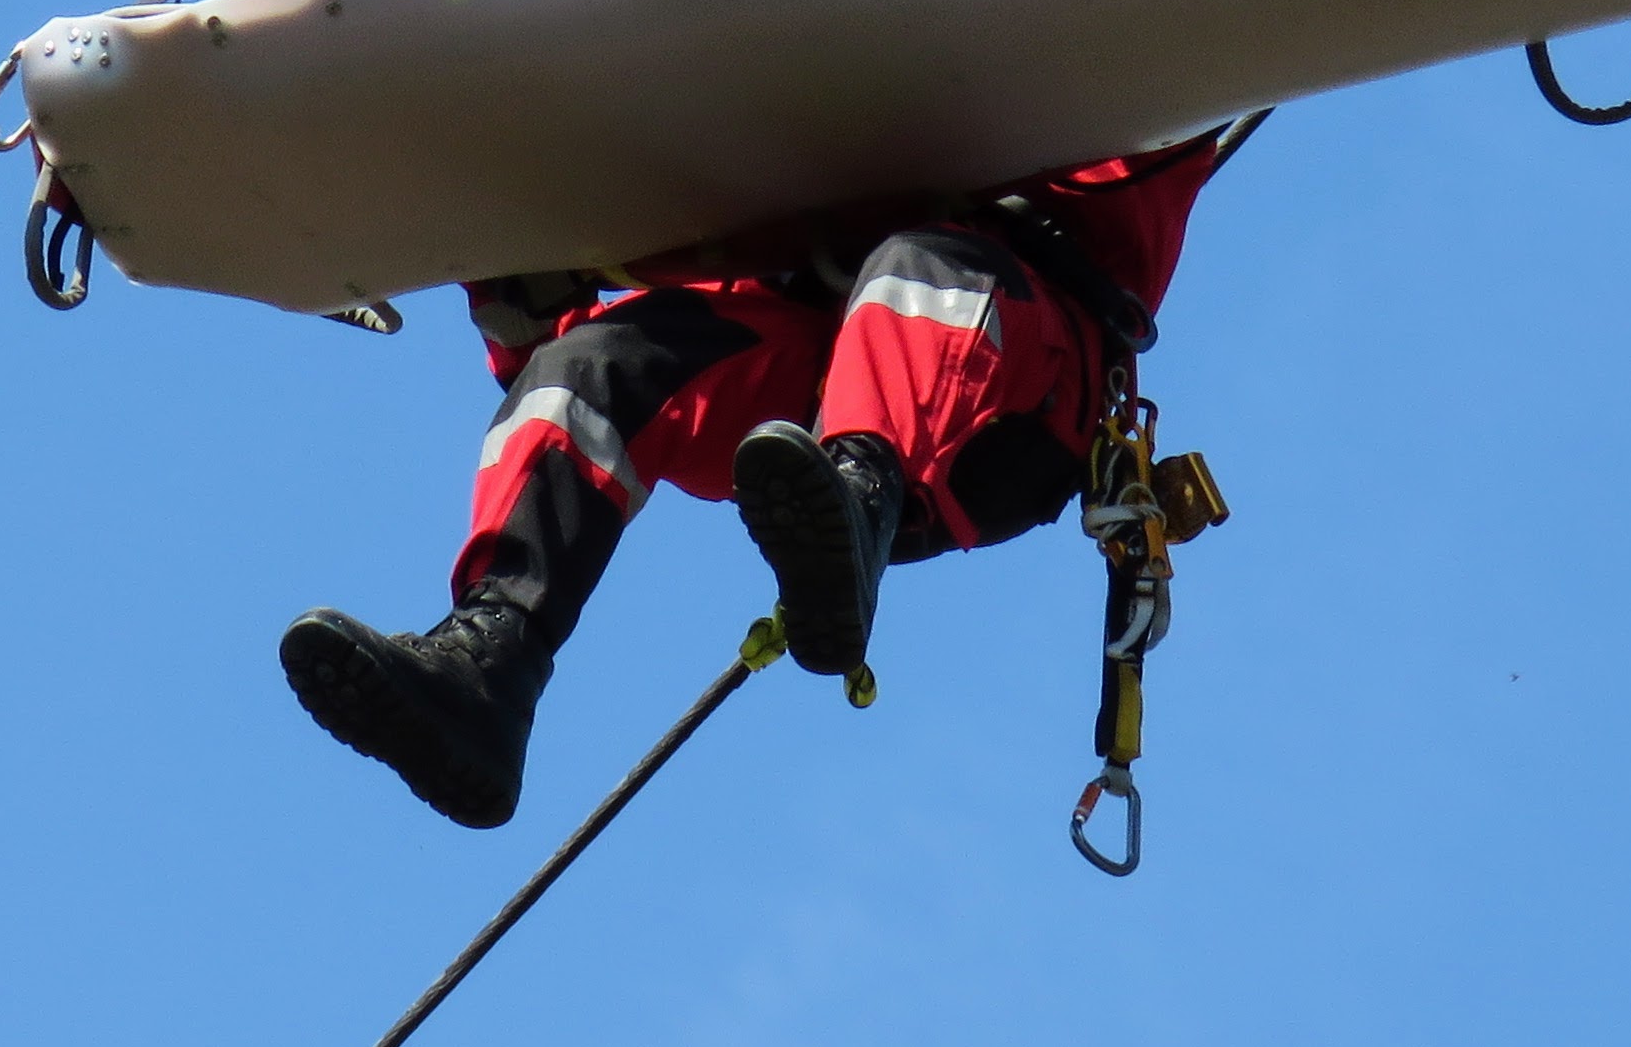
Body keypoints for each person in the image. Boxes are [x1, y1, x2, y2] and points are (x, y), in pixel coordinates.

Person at [277, 133, 1229, 827]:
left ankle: (856, 504)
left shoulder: (1119, 19)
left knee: (920, 266)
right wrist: (517, 276)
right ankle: (489, 664)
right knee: (592, 368)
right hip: (814, 334)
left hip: (1011, 369)